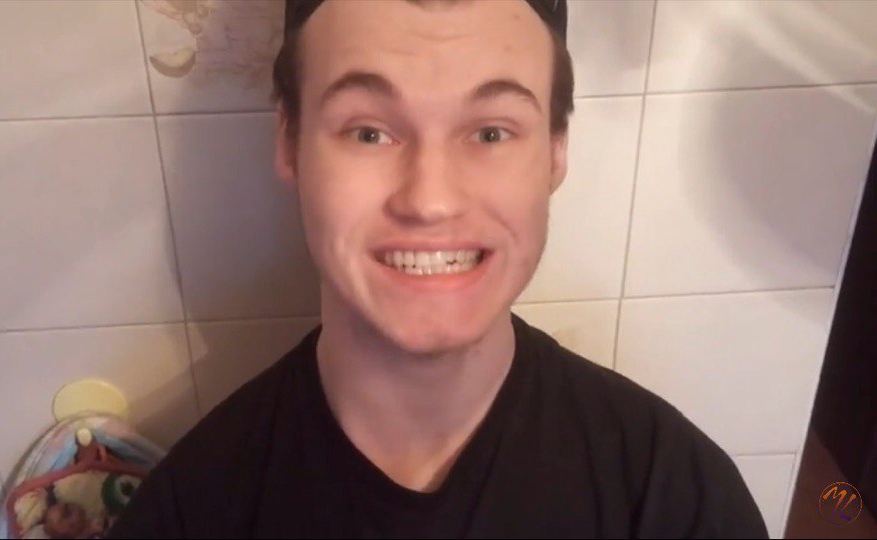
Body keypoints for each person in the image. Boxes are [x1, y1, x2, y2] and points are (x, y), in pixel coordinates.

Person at [109, 1, 769, 537]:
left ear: (555, 152)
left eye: (490, 132)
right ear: (290, 142)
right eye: (369, 132)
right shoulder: (191, 512)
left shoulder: (676, 502)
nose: (430, 200)